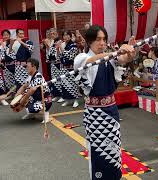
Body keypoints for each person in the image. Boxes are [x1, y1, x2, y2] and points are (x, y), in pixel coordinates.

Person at [74, 25, 136, 180]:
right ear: (89, 41)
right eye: (98, 39)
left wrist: (130, 52)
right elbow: (92, 61)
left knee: (113, 152)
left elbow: (124, 59)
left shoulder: (110, 59)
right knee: (98, 153)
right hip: (95, 114)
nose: (102, 43)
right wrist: (115, 52)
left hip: (112, 110)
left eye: (104, 39)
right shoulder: (82, 58)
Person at [15, 58, 52, 123]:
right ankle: (31, 114)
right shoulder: (30, 76)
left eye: (28, 67)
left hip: (45, 100)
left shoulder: (38, 77)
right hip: (36, 99)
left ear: (34, 67)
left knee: (28, 105)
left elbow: (31, 90)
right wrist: (16, 96)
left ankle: (46, 113)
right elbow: (24, 86)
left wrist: (22, 101)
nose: (26, 68)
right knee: (22, 97)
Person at [58, 31, 80, 108]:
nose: (65, 37)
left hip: (71, 68)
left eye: (67, 35)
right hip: (63, 67)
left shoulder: (73, 45)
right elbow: (61, 56)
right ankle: (67, 100)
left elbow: (70, 56)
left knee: (73, 84)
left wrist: (61, 48)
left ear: (70, 36)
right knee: (64, 84)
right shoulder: (65, 45)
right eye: (64, 35)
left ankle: (75, 100)